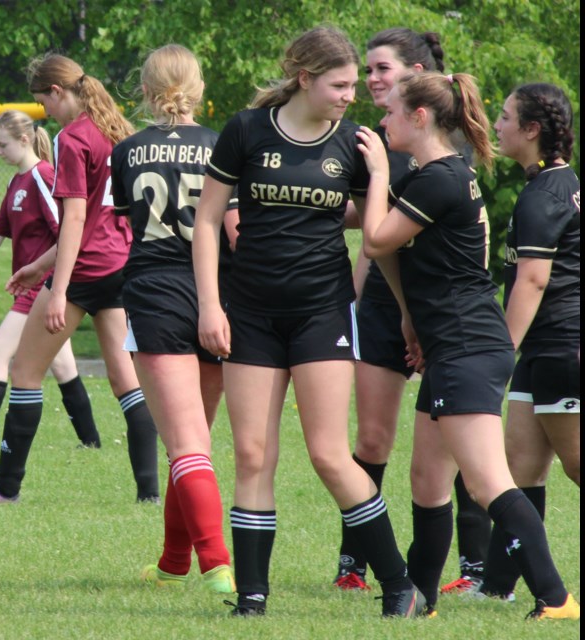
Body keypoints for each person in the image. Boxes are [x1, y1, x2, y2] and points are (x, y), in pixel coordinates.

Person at [193, 26, 423, 618]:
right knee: (250, 453)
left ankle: (397, 585)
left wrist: (404, 311)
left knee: (328, 453)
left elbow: (379, 238)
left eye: (354, 84)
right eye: (340, 84)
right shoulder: (246, 130)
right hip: (249, 314)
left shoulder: (357, 143)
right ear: (305, 79)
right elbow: (207, 221)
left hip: (322, 313)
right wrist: (210, 305)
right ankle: (252, 598)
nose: (353, 94)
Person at [356, 69, 579, 620]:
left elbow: (375, 237)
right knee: (428, 479)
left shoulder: (440, 179)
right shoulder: (433, 175)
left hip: (467, 346)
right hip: (448, 344)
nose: (381, 121)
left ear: (420, 117)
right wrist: (410, 320)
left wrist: (379, 169)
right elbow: (391, 252)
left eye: (390, 113)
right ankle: (419, 600)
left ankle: (556, 599)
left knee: (487, 484)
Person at [0, 53, 160, 504]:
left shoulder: (72, 137)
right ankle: (149, 495)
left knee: (24, 372)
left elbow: (76, 220)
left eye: (43, 102)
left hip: (83, 271)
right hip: (120, 267)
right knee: (127, 383)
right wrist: (38, 266)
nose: (44, 112)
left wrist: (58, 288)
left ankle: (5, 489)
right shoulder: (116, 130)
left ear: (58, 92)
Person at [334, 27, 492, 595]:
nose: (371, 80)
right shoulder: (368, 141)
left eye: (382, 69)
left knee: (454, 451)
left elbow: (389, 231)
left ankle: (473, 568)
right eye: (367, 69)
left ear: (418, 78)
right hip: (385, 305)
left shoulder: (436, 150)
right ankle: (354, 563)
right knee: (372, 440)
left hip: (440, 316)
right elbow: (367, 232)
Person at [111, 44, 235, 594]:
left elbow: (123, 227)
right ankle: (172, 562)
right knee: (195, 440)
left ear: (144, 89)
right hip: (218, 295)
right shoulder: (222, 146)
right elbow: (235, 230)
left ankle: (217, 567)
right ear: (198, 88)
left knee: (186, 444)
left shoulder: (129, 149)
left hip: (157, 292)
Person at [0, 109, 101, 451]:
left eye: (2, 145)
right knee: (62, 364)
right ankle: (92, 442)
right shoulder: (16, 182)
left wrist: (52, 284)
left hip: (44, 287)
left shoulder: (43, 175)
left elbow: (68, 234)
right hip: (32, 288)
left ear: (24, 140)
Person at [476, 82, 579, 602]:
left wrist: (500, 351)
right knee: (518, 469)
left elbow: (532, 281)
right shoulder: (550, 185)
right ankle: (496, 589)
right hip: (541, 351)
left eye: (505, 116)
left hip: (563, 346)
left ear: (532, 130)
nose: (497, 124)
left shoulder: (544, 195)